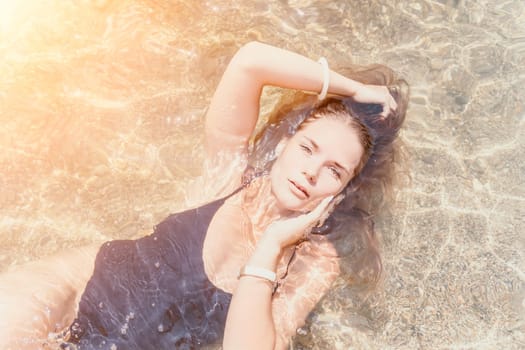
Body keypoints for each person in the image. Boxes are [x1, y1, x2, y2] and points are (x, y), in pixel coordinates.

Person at [0, 41, 408, 349]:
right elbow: (250, 62)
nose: (311, 172)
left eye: (334, 170)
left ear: (344, 189)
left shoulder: (313, 260)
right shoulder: (230, 176)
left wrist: (271, 245)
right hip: (72, 291)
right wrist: (353, 89)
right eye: (308, 148)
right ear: (287, 140)